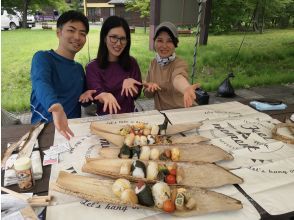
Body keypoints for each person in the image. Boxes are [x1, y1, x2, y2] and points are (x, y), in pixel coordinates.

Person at [30, 10, 96, 140]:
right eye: (71, 30)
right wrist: (55, 106)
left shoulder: (78, 69)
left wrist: (88, 99)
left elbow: (83, 102)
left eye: (82, 33)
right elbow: (40, 82)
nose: (77, 37)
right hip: (45, 130)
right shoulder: (43, 58)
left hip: (72, 132)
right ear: (59, 33)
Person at [86, 16, 142, 115]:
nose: (118, 43)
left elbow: (136, 94)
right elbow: (97, 93)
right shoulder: (92, 67)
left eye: (123, 39)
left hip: (130, 118)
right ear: (104, 38)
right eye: (114, 37)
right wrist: (105, 95)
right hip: (104, 122)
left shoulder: (132, 62)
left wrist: (132, 87)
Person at [144, 22, 200, 111]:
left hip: (183, 111)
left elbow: (178, 78)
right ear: (154, 42)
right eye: (160, 40)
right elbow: (147, 95)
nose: (164, 46)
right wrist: (150, 89)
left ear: (175, 43)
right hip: (163, 114)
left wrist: (185, 88)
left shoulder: (179, 63)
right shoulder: (153, 63)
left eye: (169, 41)